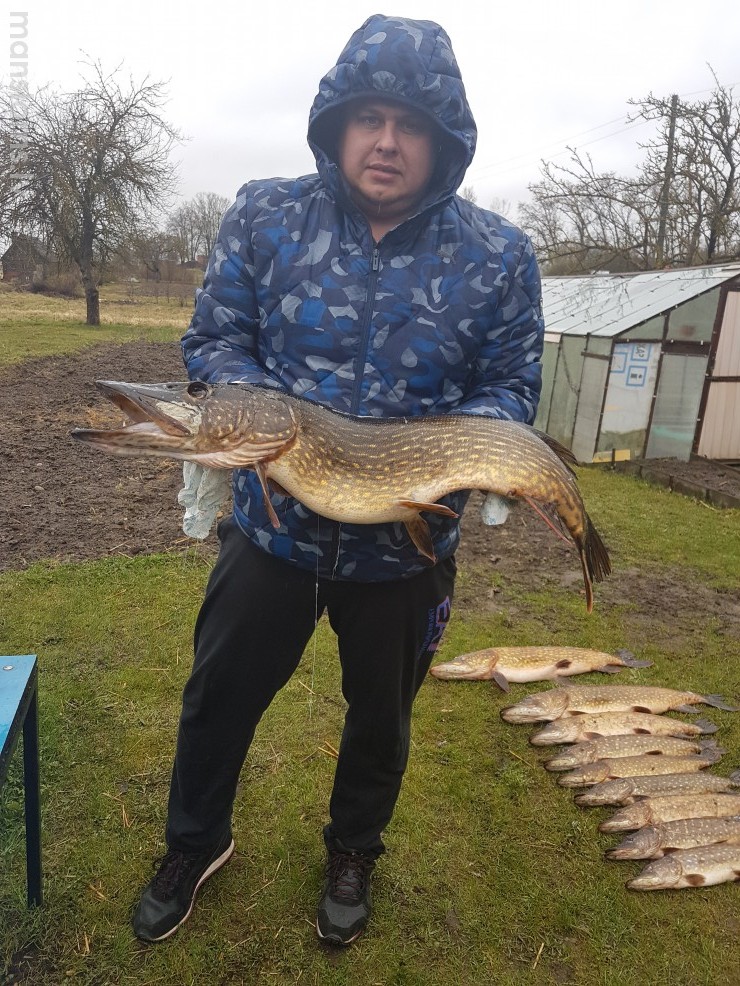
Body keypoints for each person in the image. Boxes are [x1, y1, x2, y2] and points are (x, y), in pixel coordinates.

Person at [132, 13, 544, 947]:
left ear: (444, 138)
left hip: (408, 545)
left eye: (411, 123)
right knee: (217, 698)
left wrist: (474, 454)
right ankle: (194, 842)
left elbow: (509, 385)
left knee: (381, 723)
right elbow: (217, 340)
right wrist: (262, 424)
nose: (387, 141)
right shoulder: (264, 215)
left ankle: (354, 850)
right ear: (336, 123)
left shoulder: (500, 255)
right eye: (369, 117)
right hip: (271, 527)